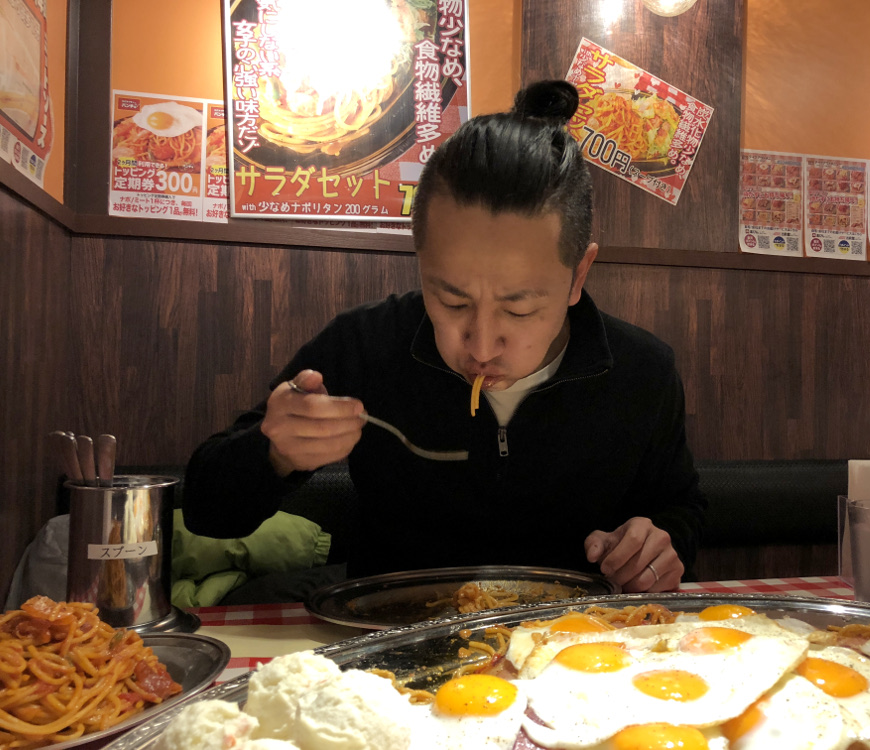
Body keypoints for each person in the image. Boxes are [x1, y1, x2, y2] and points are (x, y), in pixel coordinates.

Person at [183, 80, 706, 594]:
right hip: (392, 645)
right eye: (452, 301)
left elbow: (680, 509)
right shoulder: (367, 345)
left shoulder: (641, 371)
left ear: (578, 275)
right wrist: (274, 452)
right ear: (420, 263)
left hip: (573, 652)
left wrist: (659, 546)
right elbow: (208, 511)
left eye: (518, 308)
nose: (480, 347)